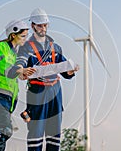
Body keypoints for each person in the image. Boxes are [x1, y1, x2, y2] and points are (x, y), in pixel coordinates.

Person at [16, 8, 79, 151]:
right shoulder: (25, 47)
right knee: (36, 134)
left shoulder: (55, 47)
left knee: (54, 134)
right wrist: (21, 70)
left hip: (56, 93)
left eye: (45, 25)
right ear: (32, 26)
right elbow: (20, 64)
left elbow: (64, 71)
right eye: (39, 25)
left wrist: (70, 71)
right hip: (37, 93)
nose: (43, 28)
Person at [0, 19, 36, 151]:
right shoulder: (2, 47)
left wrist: (22, 74)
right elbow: (4, 67)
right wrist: (20, 70)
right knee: (3, 130)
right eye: (23, 36)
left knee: (3, 131)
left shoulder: (15, 53)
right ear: (13, 35)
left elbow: (12, 72)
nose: (25, 39)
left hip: (8, 99)